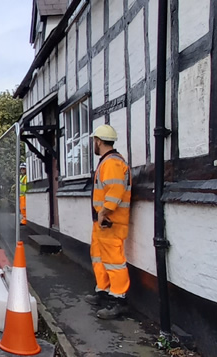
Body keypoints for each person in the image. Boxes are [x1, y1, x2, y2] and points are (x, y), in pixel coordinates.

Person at [83, 125, 132, 319]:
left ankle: (118, 300)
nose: (94, 144)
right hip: (103, 222)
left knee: (114, 261)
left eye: (94, 141)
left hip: (110, 221)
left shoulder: (111, 163)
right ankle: (102, 291)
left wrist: (104, 212)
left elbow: (115, 191)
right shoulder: (108, 161)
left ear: (98, 141)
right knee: (98, 256)